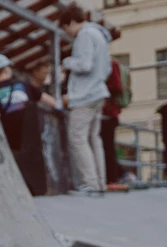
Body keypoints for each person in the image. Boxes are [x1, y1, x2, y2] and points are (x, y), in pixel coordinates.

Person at [59, 4, 112, 195]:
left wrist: (66, 62)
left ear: (72, 22)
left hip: (85, 95)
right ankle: (100, 183)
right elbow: (106, 69)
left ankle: (89, 184)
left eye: (67, 29)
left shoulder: (85, 35)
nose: (69, 33)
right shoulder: (100, 35)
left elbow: (85, 64)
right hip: (98, 91)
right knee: (93, 139)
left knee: (77, 138)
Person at [0, 55, 56, 150]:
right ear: (6, 69)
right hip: (32, 137)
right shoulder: (23, 85)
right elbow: (51, 102)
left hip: (7, 142)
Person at [100, 59, 124, 184]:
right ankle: (114, 175)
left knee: (107, 146)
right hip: (105, 113)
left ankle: (112, 178)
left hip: (108, 114)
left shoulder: (111, 63)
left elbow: (117, 87)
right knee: (106, 146)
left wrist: (99, 87)